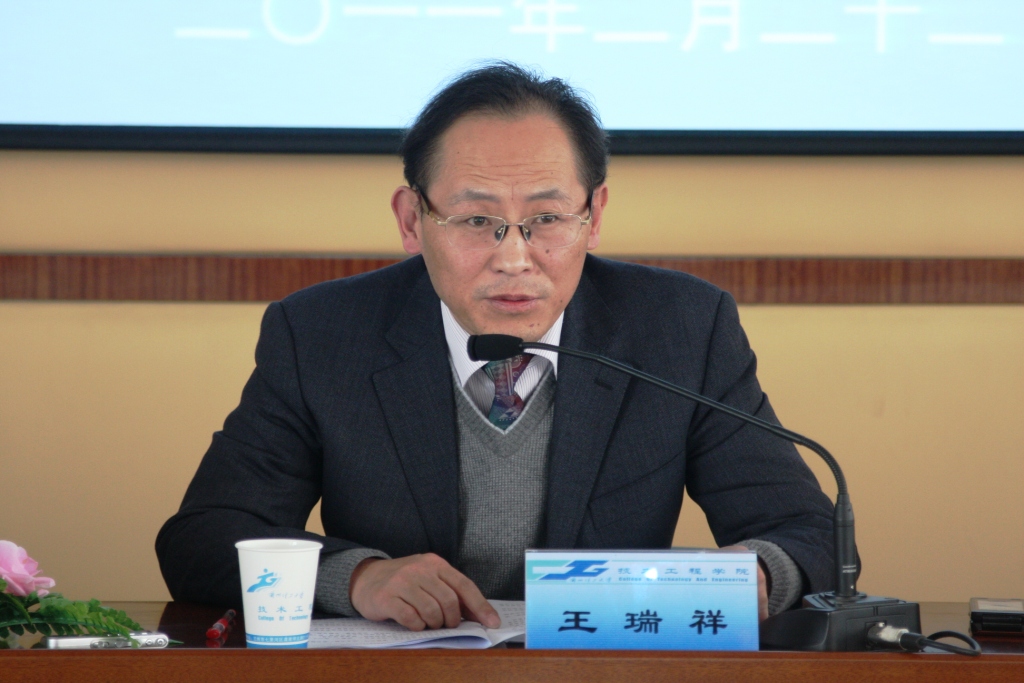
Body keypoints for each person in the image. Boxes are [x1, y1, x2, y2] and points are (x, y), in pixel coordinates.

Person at [156, 63, 834, 631]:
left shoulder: (680, 328)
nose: (514, 258)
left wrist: (758, 574)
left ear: (594, 215)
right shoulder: (323, 334)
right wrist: (357, 577)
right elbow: (203, 537)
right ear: (411, 220)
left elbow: (811, 532)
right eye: (477, 219)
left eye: (546, 218)